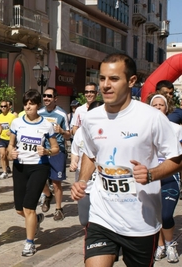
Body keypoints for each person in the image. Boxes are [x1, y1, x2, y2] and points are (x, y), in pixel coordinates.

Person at [70, 53, 182, 267]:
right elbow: (91, 154)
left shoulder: (152, 118)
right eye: (102, 78)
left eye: (113, 79)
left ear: (131, 81)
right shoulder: (91, 118)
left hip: (140, 222)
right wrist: (83, 181)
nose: (105, 85)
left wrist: (151, 174)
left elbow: (177, 159)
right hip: (102, 216)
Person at [8, 89, 59, 256]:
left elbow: (56, 148)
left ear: (37, 105)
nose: (28, 106)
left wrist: (47, 152)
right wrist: (11, 153)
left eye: (31, 103)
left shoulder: (46, 125)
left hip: (39, 167)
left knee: (29, 207)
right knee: (19, 209)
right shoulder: (16, 123)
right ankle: (36, 220)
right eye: (25, 103)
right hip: (20, 166)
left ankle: (29, 243)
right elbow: (10, 145)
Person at [147, 92, 181, 263]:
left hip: (170, 177)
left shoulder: (176, 129)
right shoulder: (144, 128)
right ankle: (160, 245)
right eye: (155, 105)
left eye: (161, 105)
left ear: (167, 109)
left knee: (166, 215)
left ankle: (170, 244)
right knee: (155, 215)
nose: (158, 108)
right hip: (150, 177)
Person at [38, 87, 71, 221]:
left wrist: (62, 131)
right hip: (42, 150)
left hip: (57, 151)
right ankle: (47, 195)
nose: (46, 98)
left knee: (56, 182)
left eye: (49, 96)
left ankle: (58, 209)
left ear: (55, 98)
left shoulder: (62, 114)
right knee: (39, 179)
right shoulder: (39, 113)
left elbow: (69, 135)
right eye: (44, 96)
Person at [69, 101, 103, 226]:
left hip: (102, 186)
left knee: (99, 221)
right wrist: (73, 161)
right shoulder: (80, 132)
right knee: (84, 220)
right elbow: (75, 151)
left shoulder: (109, 132)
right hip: (84, 185)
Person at [0, 100, 16, 179]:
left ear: (8, 107)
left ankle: (11, 168)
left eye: (5, 106)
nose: (3, 108)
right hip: (2, 138)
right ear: (0, 108)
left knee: (10, 156)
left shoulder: (12, 116)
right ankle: (4, 172)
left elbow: (16, 126)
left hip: (11, 139)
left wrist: (11, 131)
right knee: (2, 155)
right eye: (2, 106)